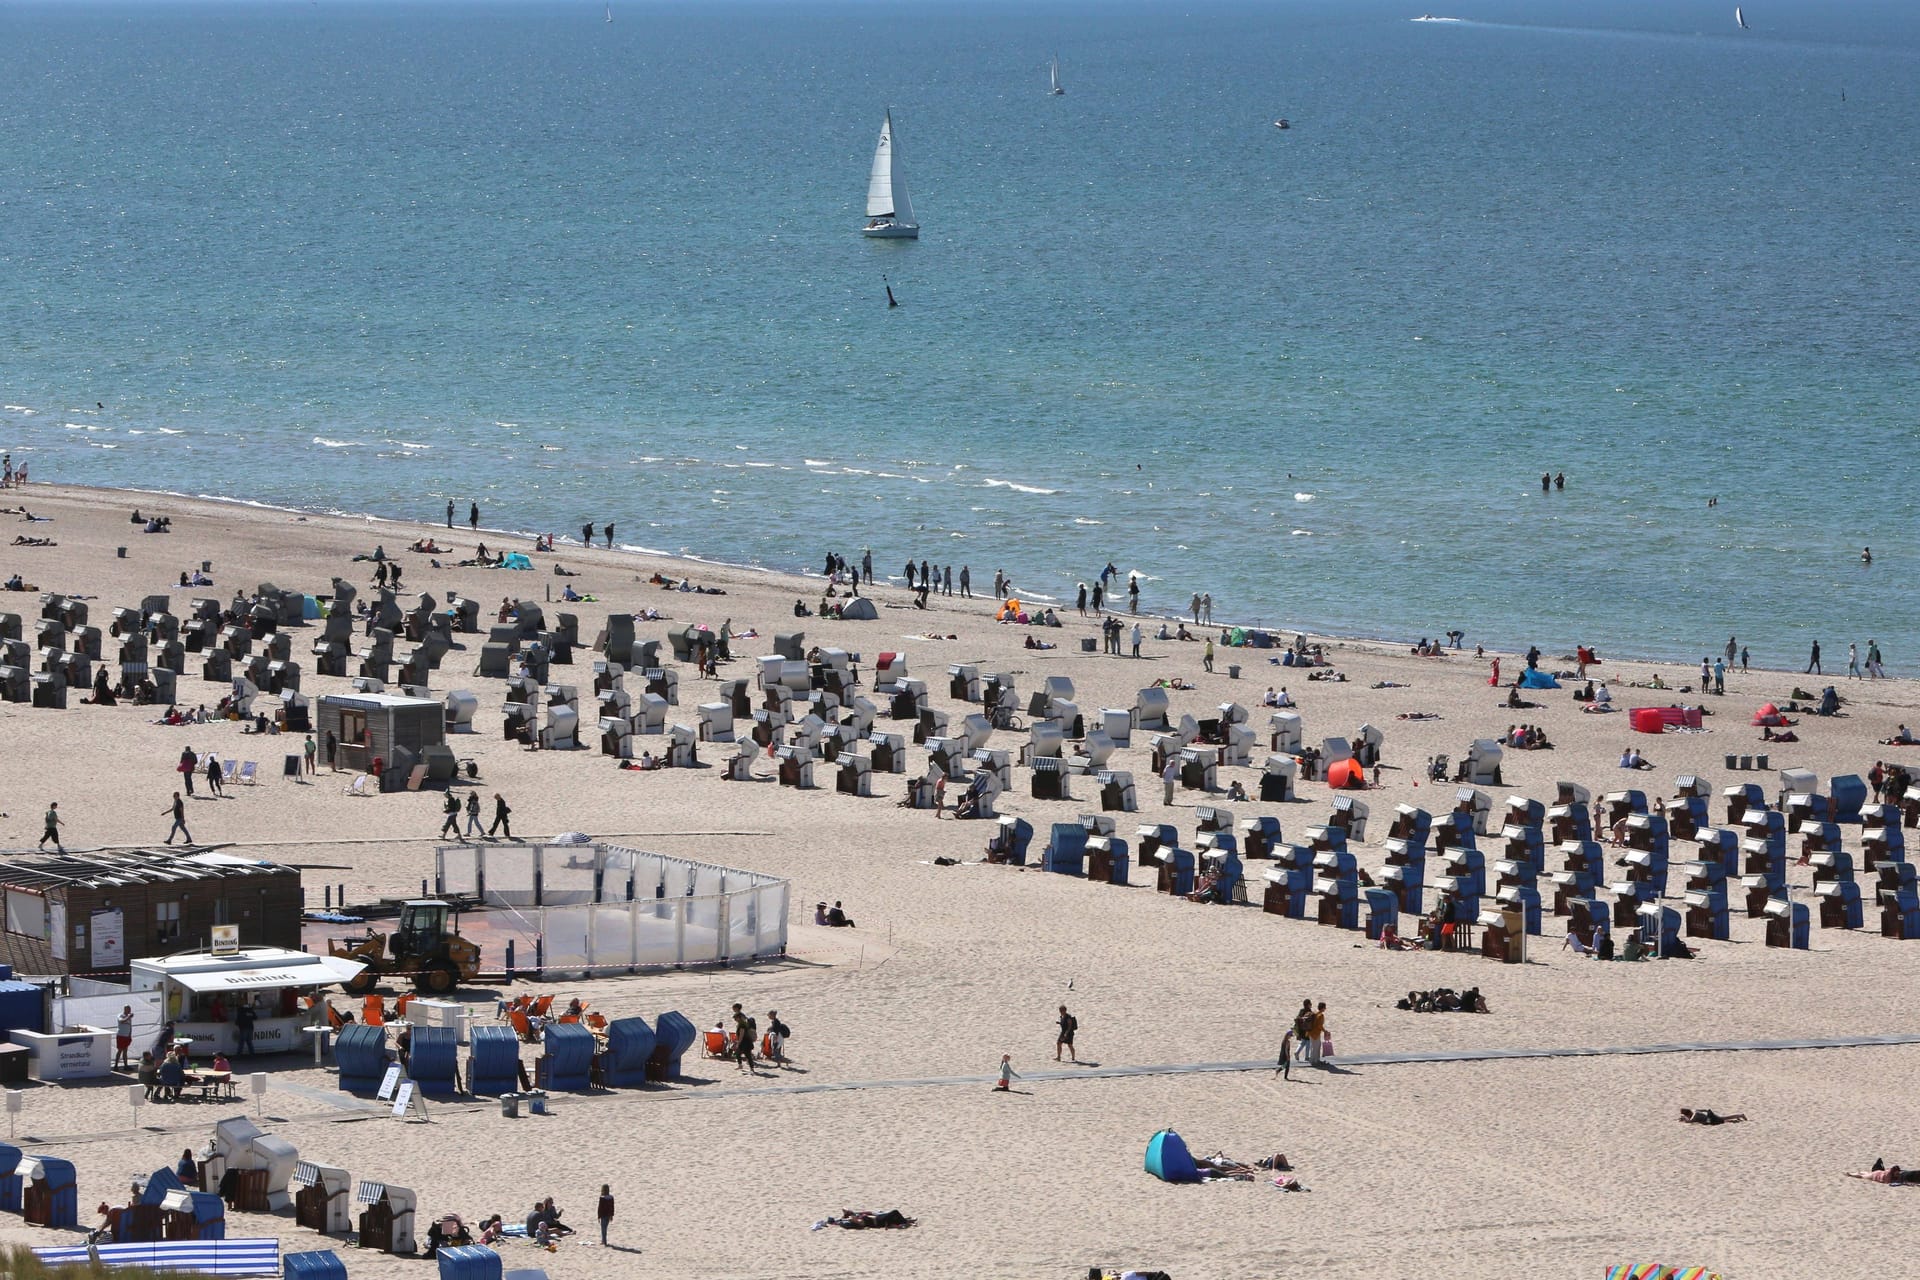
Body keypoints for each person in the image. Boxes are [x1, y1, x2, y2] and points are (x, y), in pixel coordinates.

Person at [1678, 1107, 1748, 1125]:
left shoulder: (1694, 1115)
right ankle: (1739, 1116)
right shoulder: (1694, 1110)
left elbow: (1690, 1121)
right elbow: (1704, 1110)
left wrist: (1684, 1120)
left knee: (1724, 1120)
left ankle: (1740, 1117)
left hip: (1710, 1119)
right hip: (1709, 1116)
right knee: (1724, 1118)